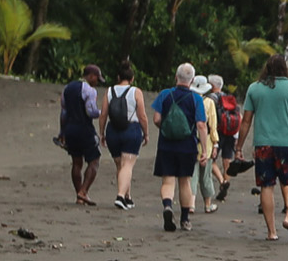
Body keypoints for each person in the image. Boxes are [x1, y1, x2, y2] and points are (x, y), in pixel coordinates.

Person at [236, 54, 288, 242]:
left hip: (263, 144)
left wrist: (238, 147)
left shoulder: (255, 88)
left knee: (266, 186)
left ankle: (271, 232)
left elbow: (246, 121)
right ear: (285, 68)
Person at [150, 63, 209, 232]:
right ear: (191, 81)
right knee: (185, 182)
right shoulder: (196, 99)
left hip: (166, 145)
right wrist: (204, 150)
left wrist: (167, 128)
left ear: (176, 77)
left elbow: (156, 119)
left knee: (168, 180)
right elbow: (201, 125)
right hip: (187, 146)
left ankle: (168, 206)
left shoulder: (164, 94)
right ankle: (184, 220)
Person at [99, 62, 149, 209]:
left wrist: (102, 133)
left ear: (118, 77)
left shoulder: (109, 91)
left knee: (120, 165)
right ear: (132, 78)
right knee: (127, 164)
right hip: (131, 129)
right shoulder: (136, 92)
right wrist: (146, 133)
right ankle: (120, 196)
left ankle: (128, 197)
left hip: (113, 130)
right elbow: (143, 116)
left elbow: (103, 114)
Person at [59, 64, 103, 205]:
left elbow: (64, 113)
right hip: (84, 128)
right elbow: (91, 112)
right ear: (90, 76)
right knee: (94, 160)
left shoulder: (67, 89)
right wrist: (102, 113)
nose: (97, 83)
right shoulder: (89, 91)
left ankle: (79, 196)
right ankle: (83, 191)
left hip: (70, 129)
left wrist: (62, 132)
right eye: (97, 79)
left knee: (76, 162)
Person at [190, 74, 223, 213]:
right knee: (206, 175)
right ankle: (207, 204)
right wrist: (215, 144)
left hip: (191, 141)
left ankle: (190, 205)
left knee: (192, 175)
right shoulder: (209, 102)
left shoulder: (190, 99)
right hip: (206, 142)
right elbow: (213, 125)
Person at [209, 74, 240, 203]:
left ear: (211, 86)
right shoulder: (229, 98)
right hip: (231, 132)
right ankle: (225, 183)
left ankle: (222, 181)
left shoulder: (211, 98)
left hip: (218, 132)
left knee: (211, 159)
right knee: (227, 160)